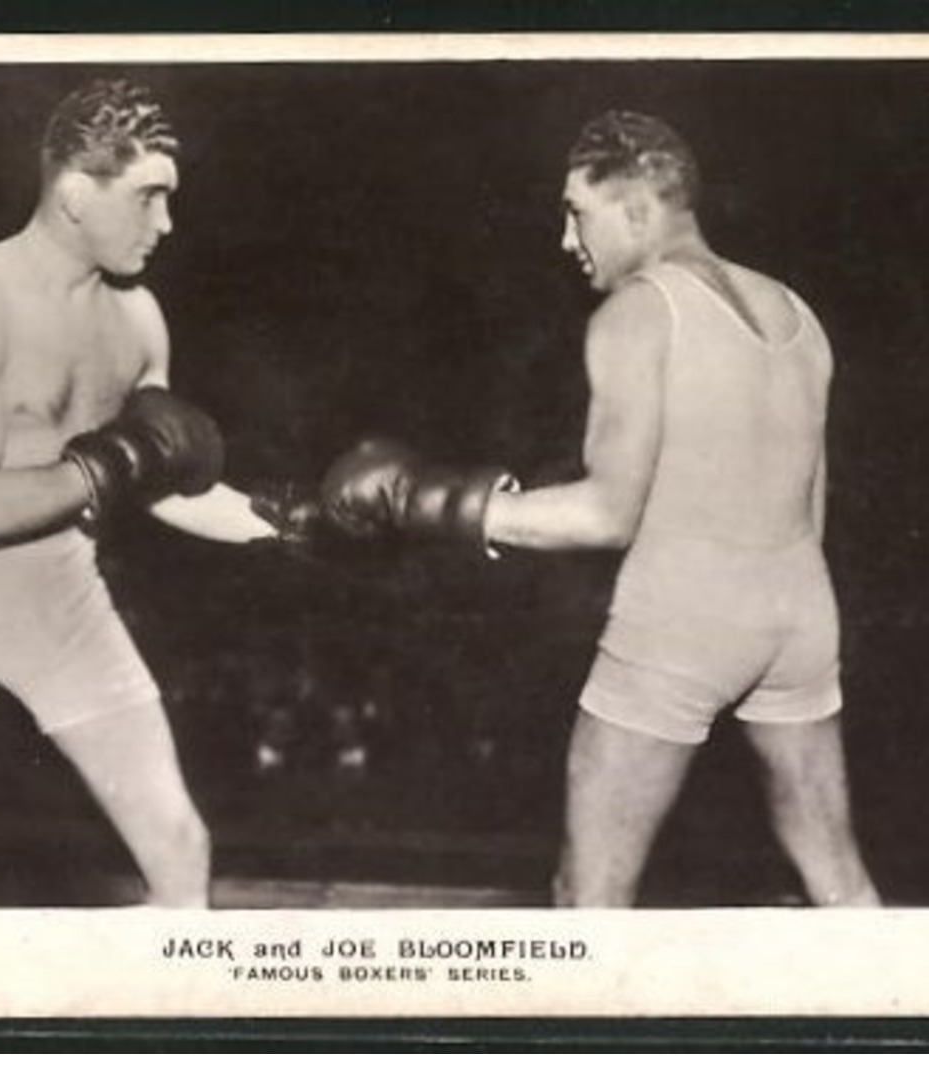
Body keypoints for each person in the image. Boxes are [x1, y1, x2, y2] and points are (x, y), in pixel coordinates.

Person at [311, 111, 880, 908]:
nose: (565, 240)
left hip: (685, 612)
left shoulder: (636, 311)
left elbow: (607, 515)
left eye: (578, 212)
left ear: (638, 209)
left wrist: (425, 502)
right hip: (801, 612)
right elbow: (809, 510)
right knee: (836, 875)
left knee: (589, 894)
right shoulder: (796, 311)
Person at [0, 79, 275, 908]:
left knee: (181, 849)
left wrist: (284, 525)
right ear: (74, 194)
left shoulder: (140, 320)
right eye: (147, 199)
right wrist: (111, 465)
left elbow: (155, 480)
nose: (165, 224)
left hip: (63, 602)